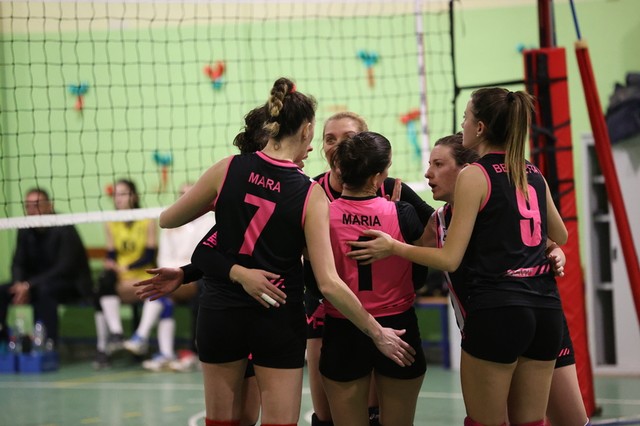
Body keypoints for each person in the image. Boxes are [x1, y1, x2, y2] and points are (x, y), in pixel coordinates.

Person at [135, 77, 415, 426]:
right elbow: (328, 282)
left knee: (222, 420)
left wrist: (223, 202)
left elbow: (168, 220)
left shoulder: (228, 169)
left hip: (221, 312)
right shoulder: (310, 194)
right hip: (277, 315)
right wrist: (377, 331)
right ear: (307, 130)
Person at [347, 88, 568, 426]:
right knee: (531, 422)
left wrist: (392, 246)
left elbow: (450, 259)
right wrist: (550, 250)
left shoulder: (475, 175)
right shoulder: (531, 172)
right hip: (546, 310)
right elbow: (560, 234)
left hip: (499, 309)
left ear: (480, 127)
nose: (462, 124)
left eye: (466, 117)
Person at [424, 133, 589, 426]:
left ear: (466, 170)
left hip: (516, 316)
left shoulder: (500, 202)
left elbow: (550, 237)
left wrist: (555, 250)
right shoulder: (437, 220)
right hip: (505, 322)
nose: (428, 173)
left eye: (439, 164)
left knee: (569, 419)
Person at [305, 111, 434, 426]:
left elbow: (312, 275)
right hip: (399, 325)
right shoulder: (403, 212)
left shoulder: (319, 214)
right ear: (378, 176)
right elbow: (429, 255)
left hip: (343, 325)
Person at [123, 182, 215, 371]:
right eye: (181, 194)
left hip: (195, 277)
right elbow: (163, 257)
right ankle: (164, 352)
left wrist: (181, 270)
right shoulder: (172, 221)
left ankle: (142, 336)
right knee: (163, 296)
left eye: (189, 193)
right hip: (173, 275)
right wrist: (173, 270)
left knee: (160, 290)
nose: (185, 198)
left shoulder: (209, 222)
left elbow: (200, 257)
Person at [0, 188, 93, 347]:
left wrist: (29, 285)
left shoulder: (64, 227)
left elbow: (65, 268)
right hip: (35, 285)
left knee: (45, 291)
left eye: (36, 205)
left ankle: (50, 343)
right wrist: (19, 284)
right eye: (28, 206)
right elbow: (18, 262)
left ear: (49, 206)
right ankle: (3, 338)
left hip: (71, 285)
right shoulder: (24, 228)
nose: (32, 210)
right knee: (3, 291)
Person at [93, 179, 158, 369]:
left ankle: (137, 340)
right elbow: (112, 253)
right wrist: (110, 262)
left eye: (123, 194)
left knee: (158, 292)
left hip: (143, 274)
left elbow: (149, 254)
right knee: (102, 285)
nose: (118, 198)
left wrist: (127, 267)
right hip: (121, 277)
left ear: (134, 196)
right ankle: (116, 335)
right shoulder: (111, 222)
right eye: (115, 194)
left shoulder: (147, 219)